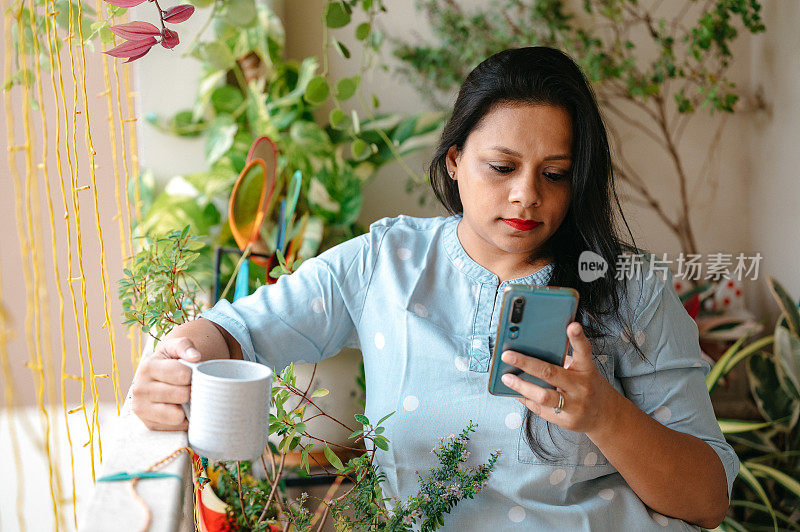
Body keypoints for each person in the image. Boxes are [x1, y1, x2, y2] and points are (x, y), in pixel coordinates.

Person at [131, 46, 739, 530]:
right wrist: (176, 361)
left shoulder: (629, 290)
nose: (527, 194)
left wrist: (604, 414)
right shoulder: (386, 263)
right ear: (454, 161)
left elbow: (708, 498)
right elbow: (240, 330)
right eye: (502, 168)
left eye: (554, 174)